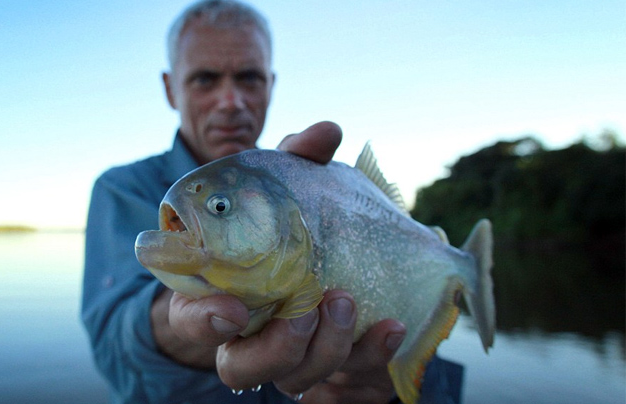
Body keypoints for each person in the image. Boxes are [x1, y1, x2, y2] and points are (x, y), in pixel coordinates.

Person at [82, 1, 461, 403]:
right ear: (169, 87)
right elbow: (113, 343)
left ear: (271, 85)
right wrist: (189, 316)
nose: (230, 101)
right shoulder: (122, 188)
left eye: (249, 78)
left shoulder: (311, 181)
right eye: (205, 80)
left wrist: (380, 387)